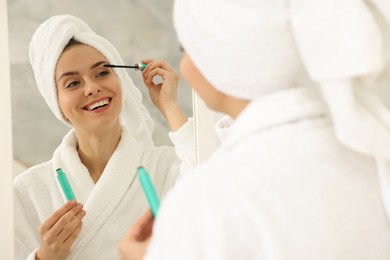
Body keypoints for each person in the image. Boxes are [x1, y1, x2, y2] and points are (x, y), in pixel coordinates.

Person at [119, 0, 390, 259]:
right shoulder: (368, 145)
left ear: (215, 59)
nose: (184, 65)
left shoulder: (209, 201)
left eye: (185, 49)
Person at [13, 14, 195, 260]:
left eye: (101, 74)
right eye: (73, 83)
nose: (91, 87)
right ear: (56, 102)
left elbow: (216, 191)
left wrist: (169, 106)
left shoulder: (165, 166)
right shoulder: (28, 191)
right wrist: (44, 257)